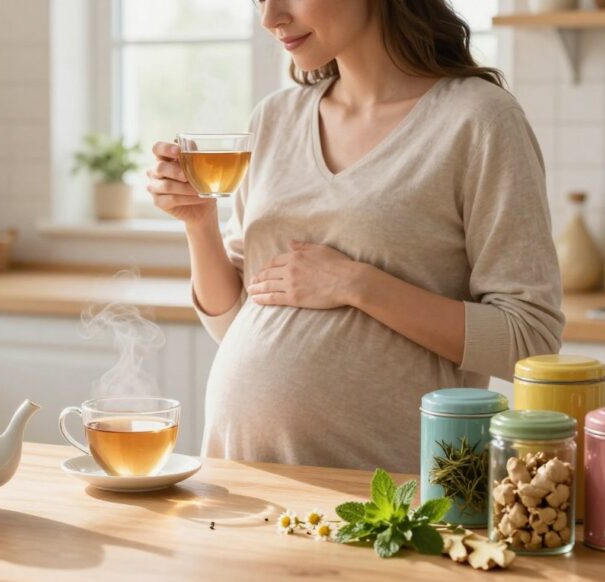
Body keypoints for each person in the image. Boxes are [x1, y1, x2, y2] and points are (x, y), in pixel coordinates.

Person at [146, 0, 563, 473]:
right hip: (239, 478)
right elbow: (238, 323)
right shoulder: (273, 120)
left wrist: (357, 285)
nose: (270, 18)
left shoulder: (479, 119)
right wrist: (199, 225)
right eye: (259, 0)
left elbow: (530, 340)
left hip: (383, 497)